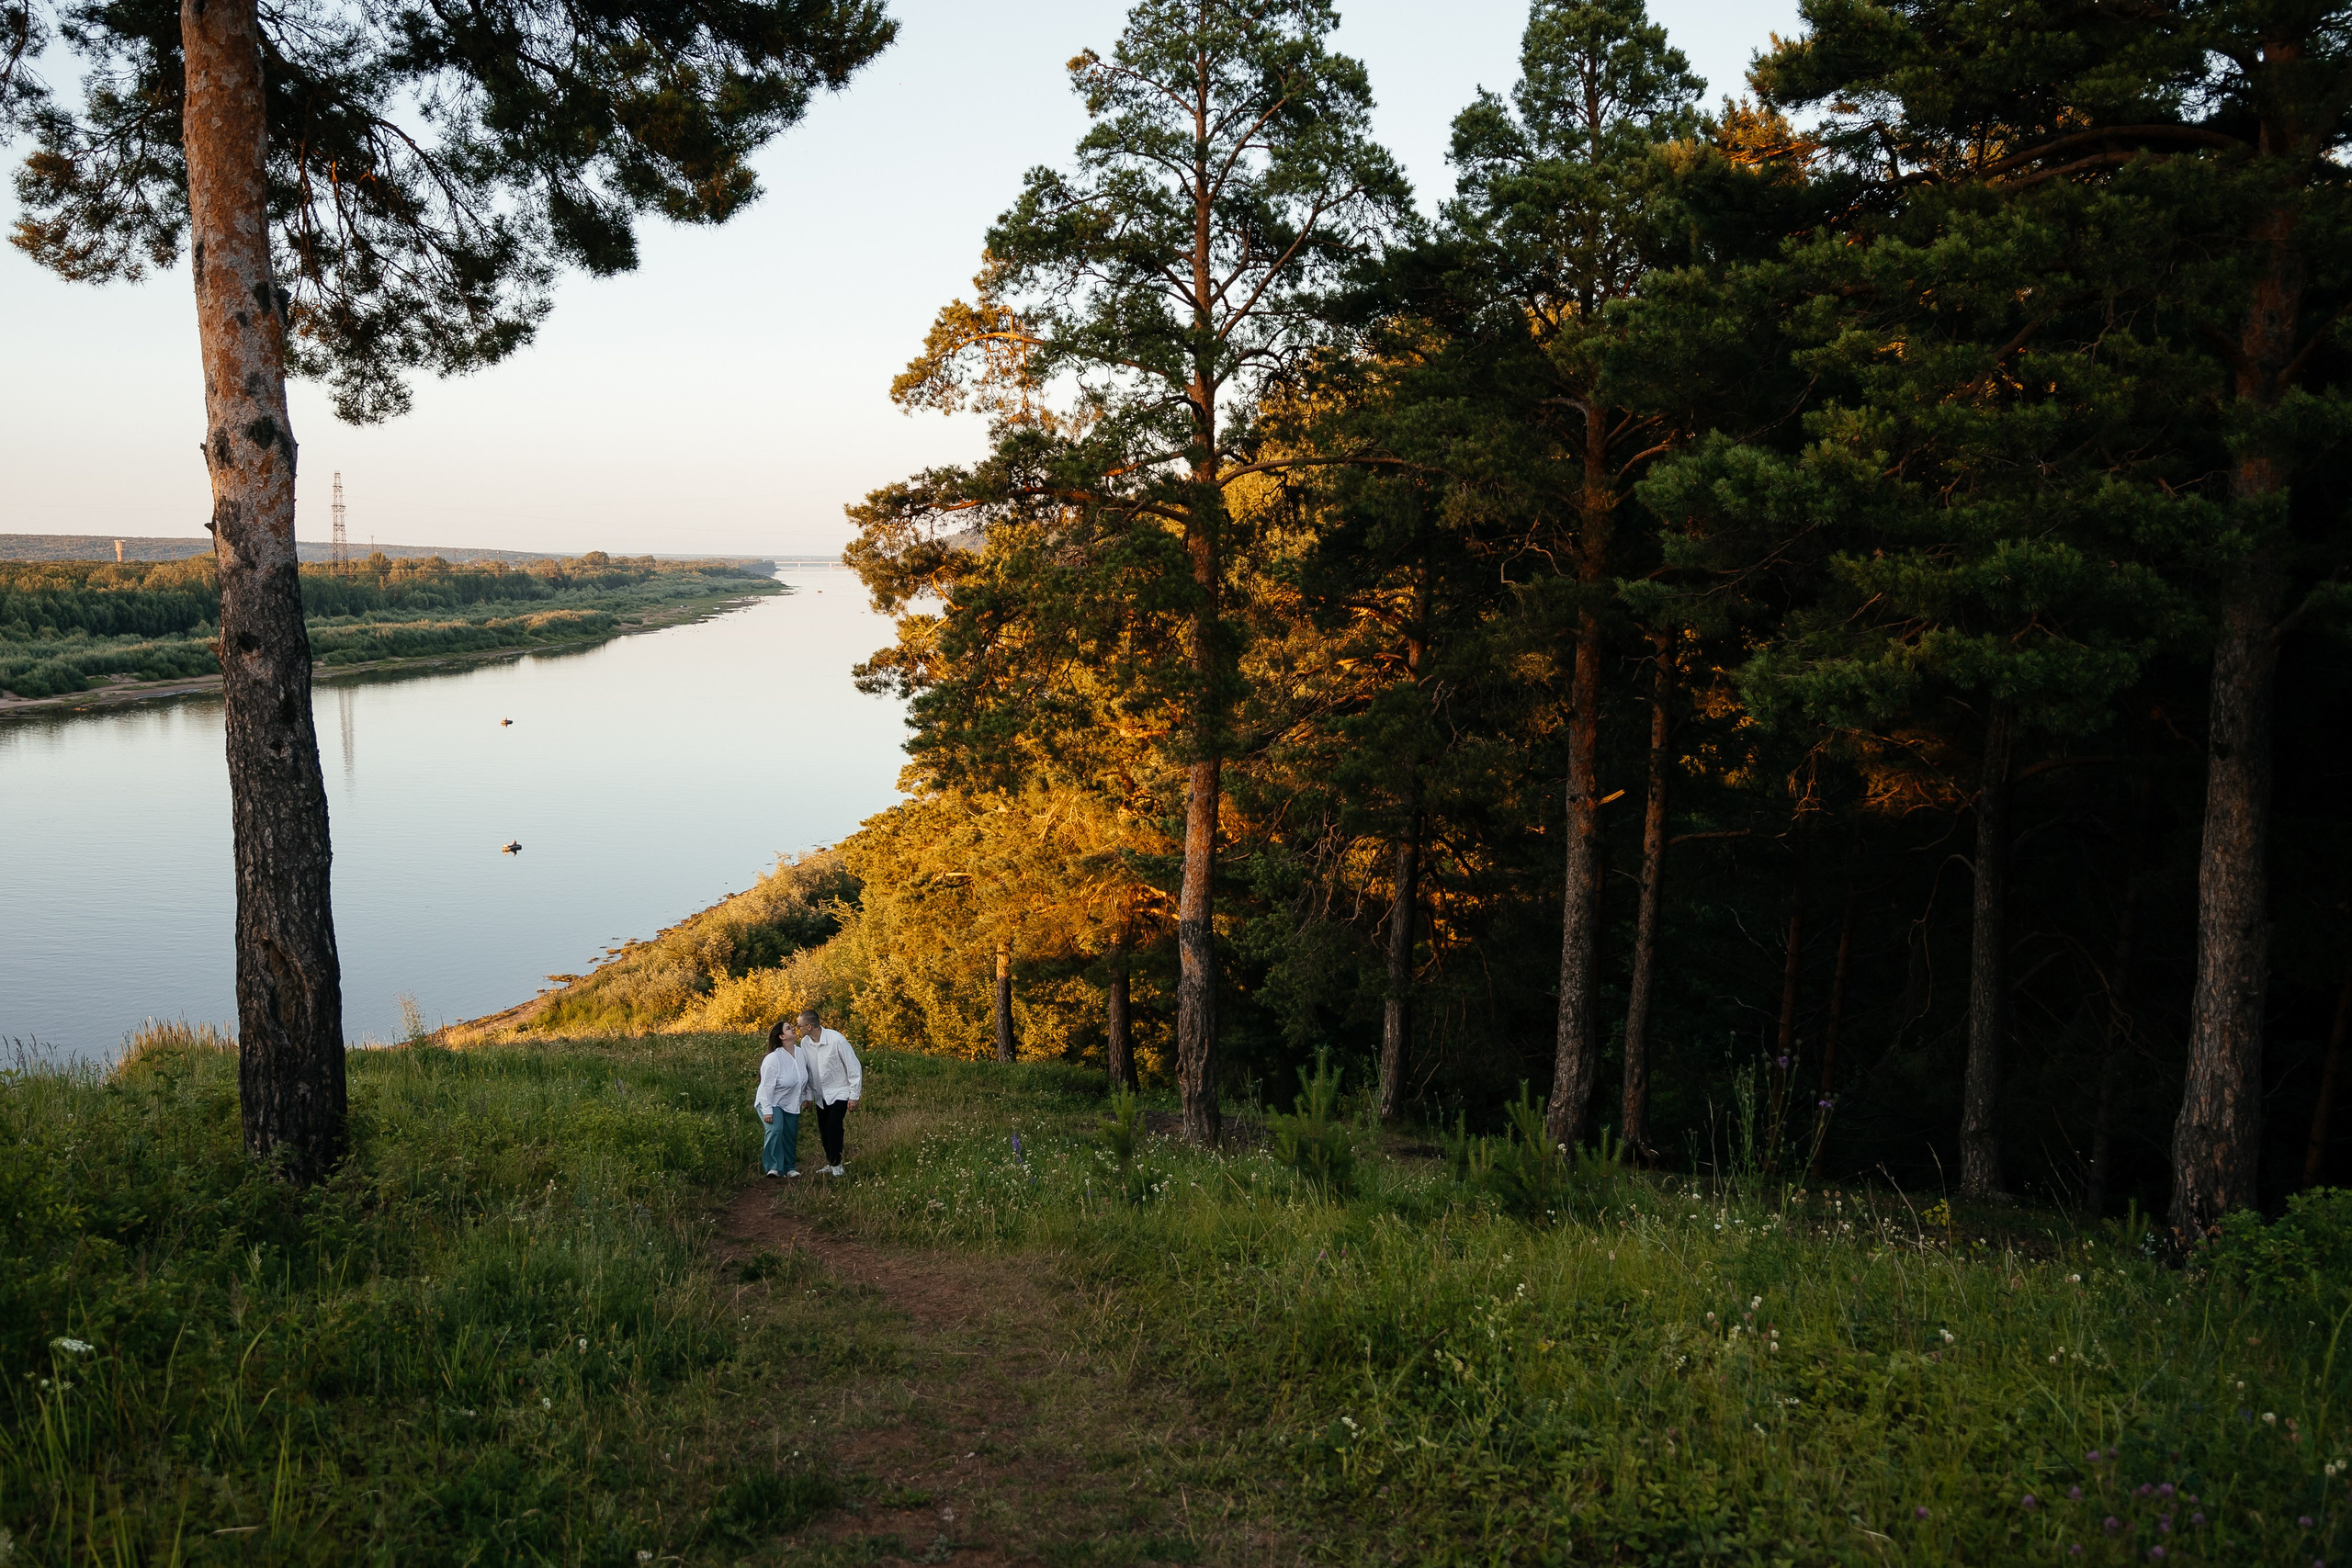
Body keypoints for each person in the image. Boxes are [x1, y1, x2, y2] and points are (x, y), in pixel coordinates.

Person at [797, 1009, 861, 1177]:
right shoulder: (805, 1043)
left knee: (834, 1126)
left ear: (809, 1026)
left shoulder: (836, 1040)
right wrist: (807, 1096)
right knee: (824, 1129)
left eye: (800, 1026)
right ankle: (831, 1162)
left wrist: (854, 1096)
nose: (798, 1029)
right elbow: (808, 1072)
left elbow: (853, 1067)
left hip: (840, 1091)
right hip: (820, 1094)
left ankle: (837, 1164)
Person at [754, 1019, 810, 1178]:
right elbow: (766, 1087)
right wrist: (767, 1111)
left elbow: (806, 1078)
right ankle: (773, 1167)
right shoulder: (773, 1059)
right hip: (771, 1102)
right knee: (776, 1130)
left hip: (792, 1102)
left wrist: (808, 1097)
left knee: (790, 1134)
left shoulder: (800, 1053)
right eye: (788, 1028)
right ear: (781, 1037)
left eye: (792, 1027)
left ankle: (789, 1168)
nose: (793, 1029)